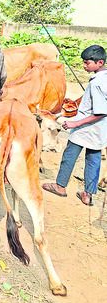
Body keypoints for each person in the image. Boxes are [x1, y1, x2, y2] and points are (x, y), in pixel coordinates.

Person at [42, 45, 107, 206]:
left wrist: (75, 123)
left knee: (69, 156)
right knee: (94, 161)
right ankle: (87, 194)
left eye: (87, 63)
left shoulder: (97, 83)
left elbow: (100, 111)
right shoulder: (103, 78)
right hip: (98, 131)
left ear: (100, 63)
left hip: (85, 129)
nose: (84, 66)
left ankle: (60, 186)